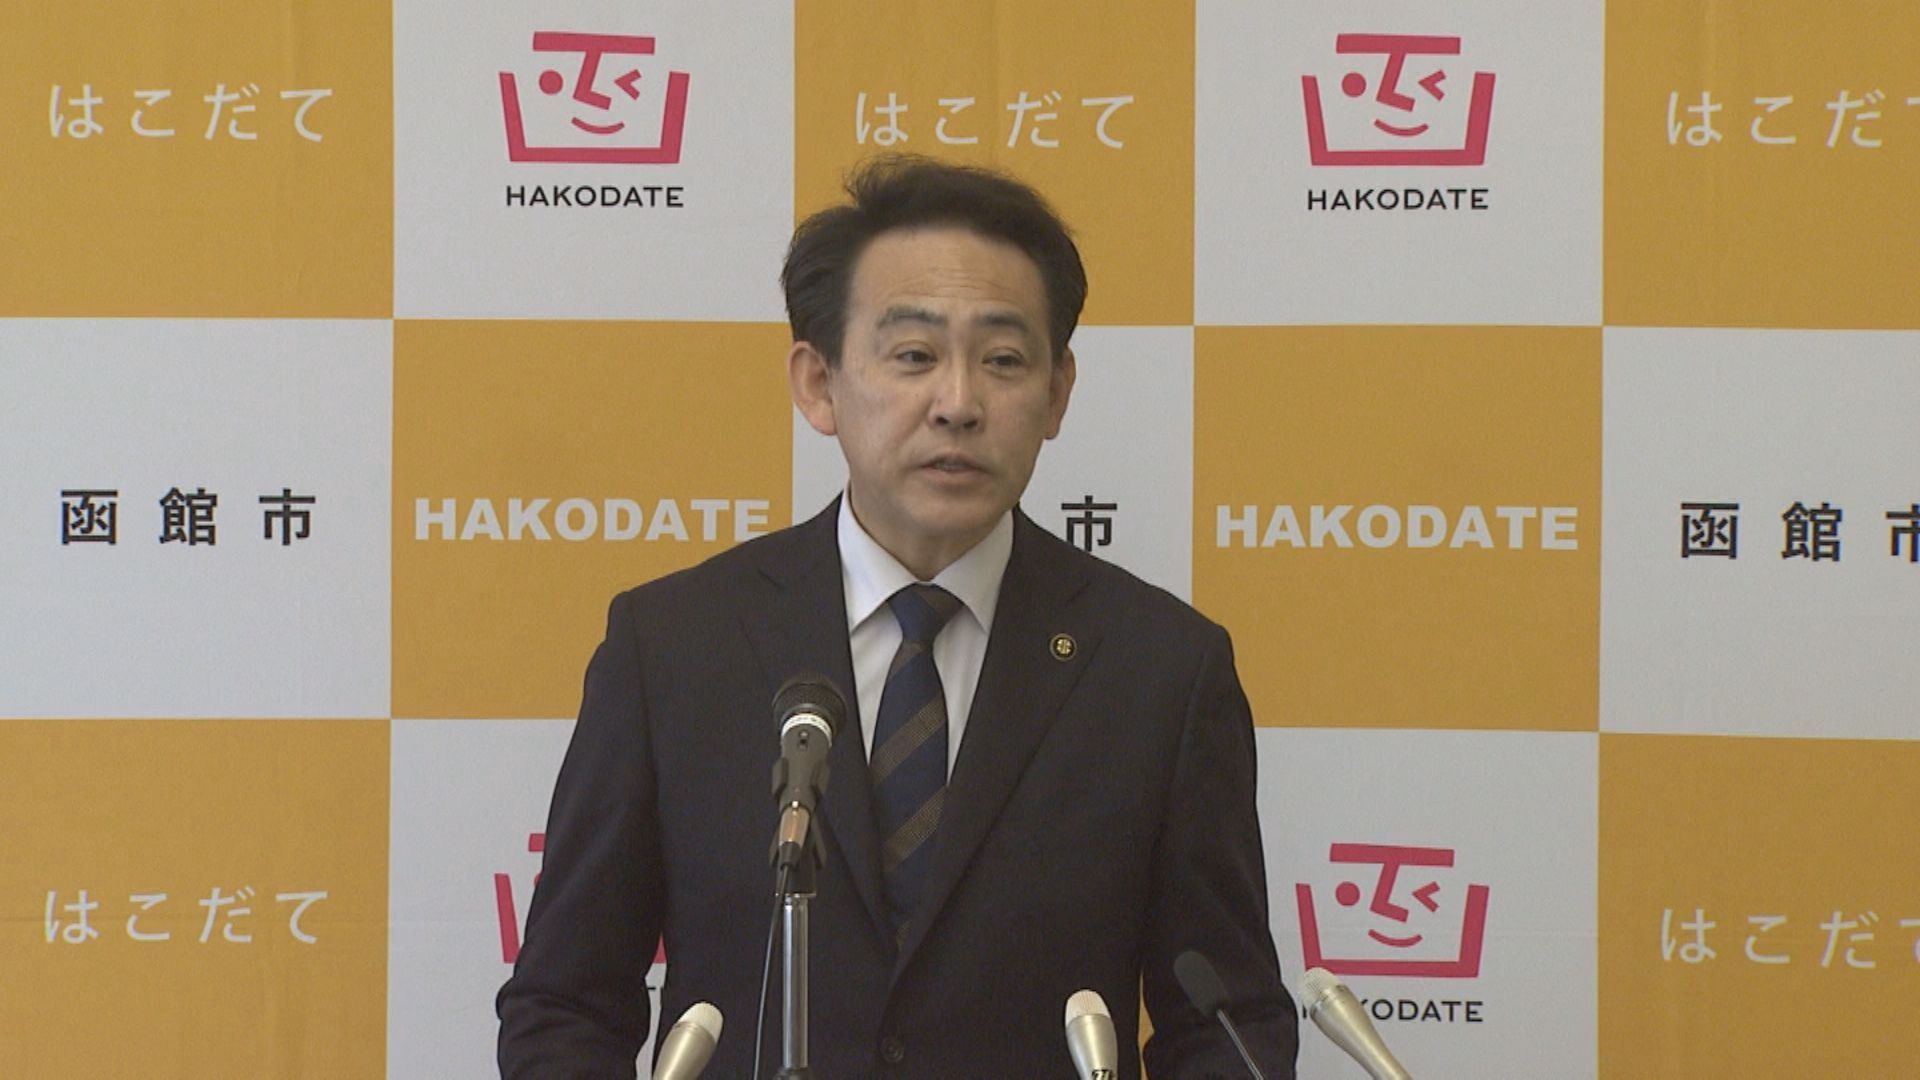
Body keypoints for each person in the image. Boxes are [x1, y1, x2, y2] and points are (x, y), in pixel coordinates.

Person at [497, 155, 1297, 1078]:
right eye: (914, 355)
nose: (958, 404)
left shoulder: (1159, 669)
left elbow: (1226, 1023)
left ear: (1056, 393)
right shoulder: (675, 646)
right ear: (819, 384)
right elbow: (565, 1004)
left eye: (1003, 361)